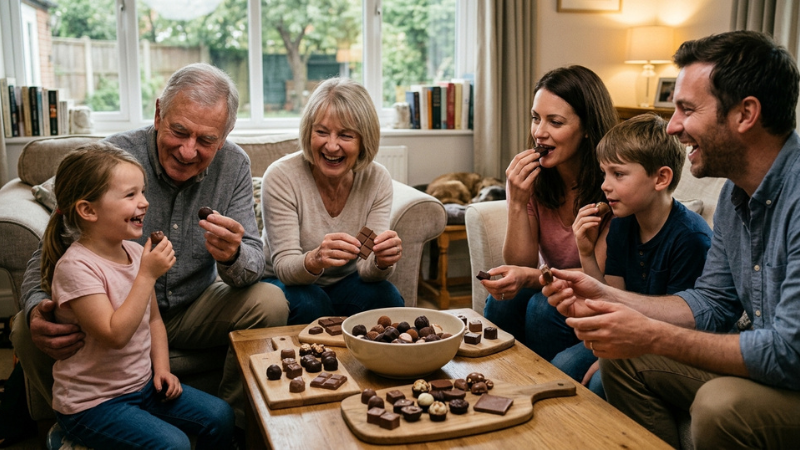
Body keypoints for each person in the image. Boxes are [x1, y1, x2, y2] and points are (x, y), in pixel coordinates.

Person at [543, 30, 800, 449]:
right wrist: (605, 295)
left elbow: (789, 353)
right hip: (776, 366)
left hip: (791, 371)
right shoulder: (736, 195)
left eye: (686, 109)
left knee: (722, 404)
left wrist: (652, 335)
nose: (673, 126)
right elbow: (711, 303)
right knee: (621, 363)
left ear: (745, 114)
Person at [11, 63, 289, 429]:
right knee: (22, 330)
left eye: (206, 140)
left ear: (226, 134)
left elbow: (253, 260)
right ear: (159, 113)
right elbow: (48, 253)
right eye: (179, 131)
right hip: (111, 311)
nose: (189, 151)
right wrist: (34, 308)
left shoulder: (234, 164)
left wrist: (234, 255)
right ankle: (76, 425)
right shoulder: (114, 159)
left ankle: (233, 425)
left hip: (194, 306)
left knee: (270, 303)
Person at [42, 143, 234, 449]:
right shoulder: (76, 268)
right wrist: (147, 275)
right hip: (93, 404)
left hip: (144, 387)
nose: (144, 202)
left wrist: (162, 369)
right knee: (174, 445)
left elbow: (153, 320)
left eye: (142, 192)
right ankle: (69, 433)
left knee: (221, 415)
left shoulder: (134, 251)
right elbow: (114, 335)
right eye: (131, 195)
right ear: (88, 210)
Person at [563, 114, 712, 398]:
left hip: (667, 344)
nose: (605, 185)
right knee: (563, 365)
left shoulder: (690, 239)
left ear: (661, 178)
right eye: (604, 173)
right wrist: (586, 252)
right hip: (626, 331)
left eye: (618, 174)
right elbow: (608, 298)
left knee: (597, 382)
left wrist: (610, 358)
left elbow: (678, 327)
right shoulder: (623, 222)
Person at [478, 65, 617, 356]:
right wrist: (516, 201)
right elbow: (522, 261)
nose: (539, 133)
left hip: (600, 291)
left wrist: (530, 277)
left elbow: (600, 275)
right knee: (503, 300)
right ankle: (499, 381)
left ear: (588, 129)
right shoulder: (536, 179)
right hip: (552, 283)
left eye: (555, 122)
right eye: (535, 118)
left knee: (543, 306)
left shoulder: (613, 185)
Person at [261, 77, 405, 325]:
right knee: (311, 302)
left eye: (346, 135)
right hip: (282, 281)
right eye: (321, 132)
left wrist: (381, 261)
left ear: (363, 140)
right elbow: (284, 266)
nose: (331, 145)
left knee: (387, 297)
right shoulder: (281, 176)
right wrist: (314, 259)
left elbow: (367, 269)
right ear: (309, 132)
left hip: (343, 283)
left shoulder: (377, 179)